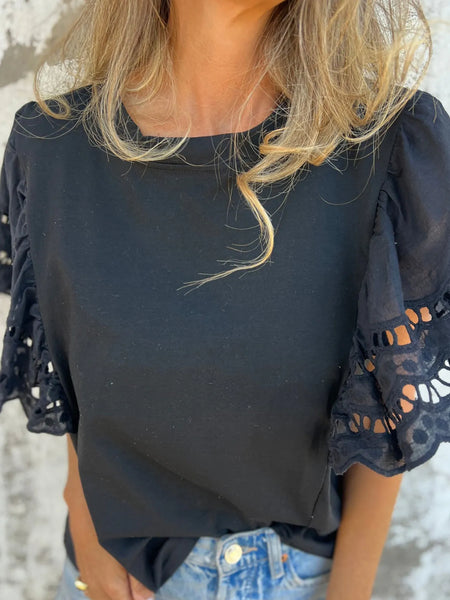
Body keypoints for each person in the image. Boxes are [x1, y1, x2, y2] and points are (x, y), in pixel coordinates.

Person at [0, 0, 449, 599]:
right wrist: (82, 509)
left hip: (294, 579)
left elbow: (388, 411)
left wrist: (350, 593)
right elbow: (71, 368)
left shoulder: (387, 144)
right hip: (114, 571)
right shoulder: (51, 148)